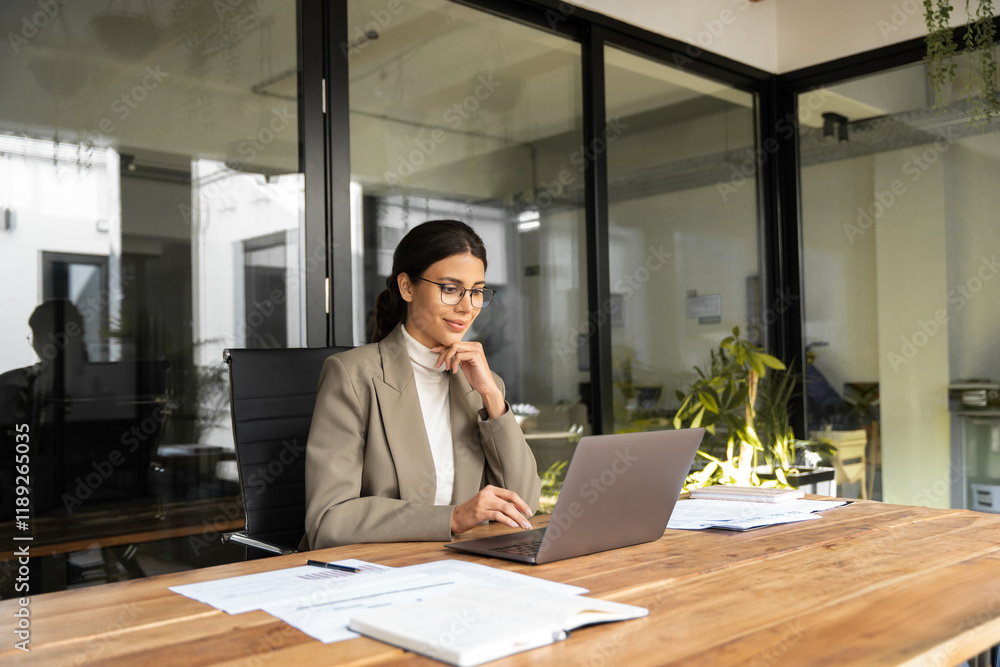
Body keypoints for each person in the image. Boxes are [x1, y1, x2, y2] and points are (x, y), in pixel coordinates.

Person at [304, 220, 541, 549]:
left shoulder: (482, 383)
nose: (467, 307)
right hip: (381, 567)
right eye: (450, 289)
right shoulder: (353, 375)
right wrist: (451, 518)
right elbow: (328, 520)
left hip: (461, 562)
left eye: (476, 292)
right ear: (407, 287)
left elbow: (523, 504)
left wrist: (492, 398)